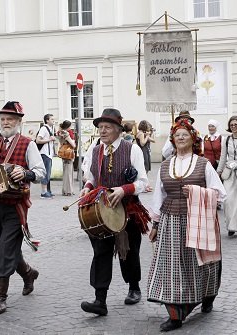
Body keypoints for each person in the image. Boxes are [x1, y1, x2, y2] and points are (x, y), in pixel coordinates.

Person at [147, 119, 226, 332]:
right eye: (177, 135)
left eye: (185, 134)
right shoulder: (165, 165)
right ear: (172, 140)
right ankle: (175, 313)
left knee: (200, 263)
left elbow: (219, 194)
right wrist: (154, 224)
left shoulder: (203, 164)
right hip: (170, 220)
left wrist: (196, 192)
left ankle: (207, 295)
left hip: (198, 219)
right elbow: (158, 196)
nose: (180, 138)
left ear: (193, 139)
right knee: (173, 265)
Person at [79, 108, 150, 316]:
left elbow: (143, 182)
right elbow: (91, 176)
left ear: (119, 130)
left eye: (107, 127)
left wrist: (123, 189)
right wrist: (88, 187)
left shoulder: (132, 149)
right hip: (102, 209)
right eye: (100, 127)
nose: (102, 131)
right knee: (101, 252)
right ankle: (100, 300)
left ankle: (134, 287)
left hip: (128, 208)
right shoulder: (95, 149)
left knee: (128, 251)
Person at [0, 101, 46, 315]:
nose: (6, 122)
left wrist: (25, 173)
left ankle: (0, 297)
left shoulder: (28, 144)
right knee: (6, 249)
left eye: (10, 119)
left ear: (19, 122)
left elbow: (41, 171)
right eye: (3, 119)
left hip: (16, 206)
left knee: (6, 250)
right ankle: (28, 273)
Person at [36, 113, 56, 198]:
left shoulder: (49, 128)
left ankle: (47, 191)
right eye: (52, 119)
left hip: (48, 154)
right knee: (45, 173)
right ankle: (43, 192)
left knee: (48, 173)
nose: (53, 120)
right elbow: (38, 140)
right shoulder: (44, 129)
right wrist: (49, 139)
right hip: (44, 153)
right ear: (47, 120)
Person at [57, 120, 76, 196]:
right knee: (69, 173)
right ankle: (68, 191)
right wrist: (73, 142)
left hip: (63, 153)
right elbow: (73, 145)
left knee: (66, 172)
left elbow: (60, 141)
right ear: (68, 126)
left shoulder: (60, 132)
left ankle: (65, 190)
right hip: (68, 153)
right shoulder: (67, 133)